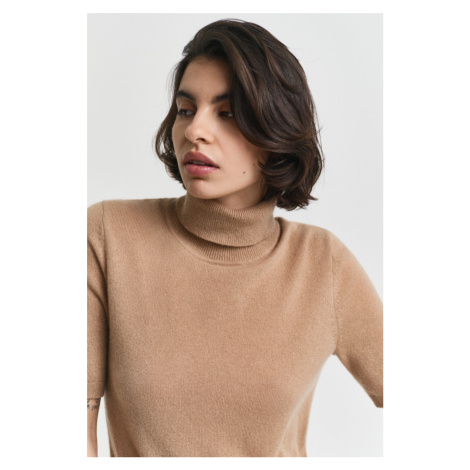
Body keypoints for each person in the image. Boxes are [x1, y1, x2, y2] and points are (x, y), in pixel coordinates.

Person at [87, 18, 383, 457]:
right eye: (186, 110)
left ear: (275, 131)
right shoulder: (108, 235)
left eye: (226, 114)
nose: (195, 131)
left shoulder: (323, 263)